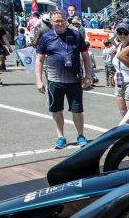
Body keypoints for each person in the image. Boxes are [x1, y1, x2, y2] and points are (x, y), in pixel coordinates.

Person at [35, 10, 93, 149]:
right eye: (56, 21)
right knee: (56, 110)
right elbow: (39, 60)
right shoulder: (46, 36)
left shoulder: (76, 34)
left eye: (62, 20)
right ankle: (60, 137)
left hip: (74, 80)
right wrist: (39, 80)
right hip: (54, 80)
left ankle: (80, 135)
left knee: (77, 110)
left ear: (66, 21)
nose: (60, 23)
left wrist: (88, 75)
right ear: (51, 23)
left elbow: (86, 57)